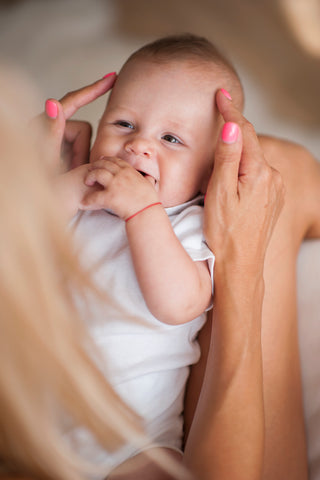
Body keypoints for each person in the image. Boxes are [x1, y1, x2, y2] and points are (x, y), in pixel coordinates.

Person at [46, 34, 320, 479]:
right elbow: (27, 232)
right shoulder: (83, 198)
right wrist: (62, 182)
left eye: (171, 138)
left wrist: (143, 213)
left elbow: (178, 304)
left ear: (210, 174)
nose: (139, 146)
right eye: (123, 124)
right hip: (41, 424)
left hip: (129, 450)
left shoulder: (188, 226)